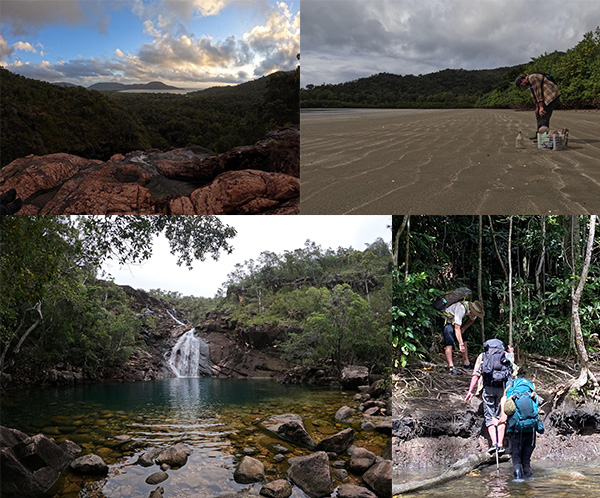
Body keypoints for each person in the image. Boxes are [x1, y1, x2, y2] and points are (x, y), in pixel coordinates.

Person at [465, 339, 513, 454]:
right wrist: (511, 353)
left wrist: (470, 391)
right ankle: (501, 445)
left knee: (490, 416)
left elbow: (476, 375)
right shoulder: (506, 355)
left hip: (488, 388)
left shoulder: (482, 356)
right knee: (501, 415)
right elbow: (512, 372)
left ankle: (494, 444)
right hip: (503, 390)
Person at [498, 377, 543, 479]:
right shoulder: (532, 394)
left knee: (517, 460)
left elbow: (504, 418)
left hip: (516, 432)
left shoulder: (509, 395)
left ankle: (518, 483)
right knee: (526, 461)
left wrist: (496, 422)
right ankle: (529, 480)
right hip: (531, 431)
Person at [442, 299, 484, 375]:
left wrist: (464, 328)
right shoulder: (461, 308)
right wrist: (460, 344)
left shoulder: (472, 311)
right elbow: (456, 328)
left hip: (455, 322)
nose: (475, 316)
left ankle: (466, 363)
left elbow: (472, 320)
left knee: (464, 339)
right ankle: (451, 367)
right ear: (472, 310)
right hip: (447, 319)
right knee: (449, 342)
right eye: (474, 314)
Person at [514, 73, 560, 138]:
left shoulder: (532, 78)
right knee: (538, 114)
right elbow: (534, 96)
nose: (522, 86)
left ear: (522, 80)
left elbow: (538, 92)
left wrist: (541, 107)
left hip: (551, 95)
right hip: (545, 97)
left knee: (544, 115)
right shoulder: (530, 84)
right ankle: (539, 135)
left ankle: (543, 138)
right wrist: (537, 107)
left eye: (521, 85)